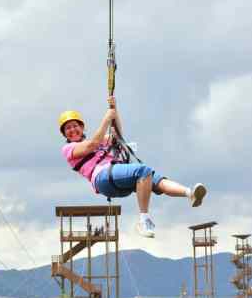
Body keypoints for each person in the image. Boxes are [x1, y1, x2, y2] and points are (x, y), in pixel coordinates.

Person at [59, 96, 206, 238]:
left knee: (154, 179)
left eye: (75, 126)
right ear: (64, 134)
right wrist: (106, 118)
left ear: (82, 127)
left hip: (115, 176)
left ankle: (189, 193)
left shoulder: (99, 140)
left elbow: (117, 135)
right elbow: (92, 145)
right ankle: (144, 220)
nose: (72, 130)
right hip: (102, 177)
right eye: (68, 128)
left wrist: (114, 109)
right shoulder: (68, 149)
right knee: (142, 170)